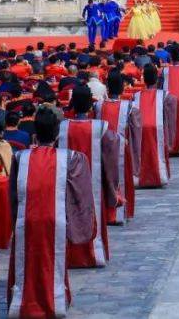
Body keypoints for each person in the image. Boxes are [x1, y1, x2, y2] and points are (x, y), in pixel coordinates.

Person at [8, 105, 97, 319]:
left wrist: (15, 220)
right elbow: (81, 193)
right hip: (55, 218)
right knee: (51, 263)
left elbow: (13, 195)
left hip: (27, 218)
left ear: (35, 133)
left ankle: (25, 303)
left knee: (27, 262)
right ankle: (53, 301)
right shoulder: (71, 158)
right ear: (58, 134)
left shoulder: (20, 158)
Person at [60, 85, 121, 268]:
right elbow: (111, 154)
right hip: (93, 182)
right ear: (89, 105)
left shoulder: (62, 128)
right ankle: (91, 254)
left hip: (66, 182)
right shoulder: (99, 128)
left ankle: (70, 255)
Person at [96, 74, 142, 225]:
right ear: (122, 88)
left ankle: (106, 213)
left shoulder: (98, 106)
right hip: (122, 149)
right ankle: (119, 212)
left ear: (107, 88)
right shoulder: (129, 107)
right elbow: (136, 132)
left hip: (102, 149)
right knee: (121, 180)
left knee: (104, 181)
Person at [133, 63, 171, 189]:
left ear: (144, 78)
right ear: (156, 78)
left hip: (141, 128)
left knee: (142, 153)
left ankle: (143, 177)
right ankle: (158, 176)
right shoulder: (164, 95)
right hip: (157, 127)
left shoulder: (136, 96)